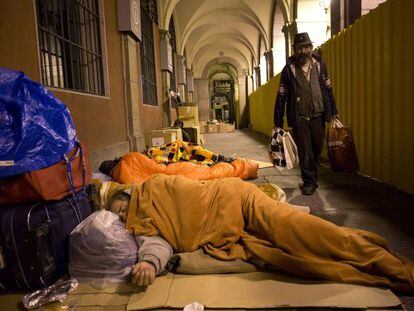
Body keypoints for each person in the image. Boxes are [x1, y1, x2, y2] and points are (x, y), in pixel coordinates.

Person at [102, 175, 414, 293]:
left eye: (116, 207)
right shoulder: (141, 228)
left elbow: (195, 183)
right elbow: (156, 246)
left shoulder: (152, 186)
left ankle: (375, 256)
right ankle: (372, 261)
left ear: (123, 193)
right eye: (113, 215)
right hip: (230, 232)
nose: (119, 215)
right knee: (292, 255)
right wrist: (149, 264)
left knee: (299, 230)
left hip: (236, 198)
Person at [274, 32, 339, 195]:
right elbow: (281, 95)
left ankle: (312, 175)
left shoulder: (320, 65)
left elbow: (328, 89)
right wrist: (278, 120)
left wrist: (333, 110)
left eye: (307, 47)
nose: (304, 51)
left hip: (318, 114)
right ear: (294, 49)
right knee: (305, 151)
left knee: (317, 147)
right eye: (300, 48)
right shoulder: (288, 70)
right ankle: (309, 182)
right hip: (299, 117)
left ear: (311, 48)